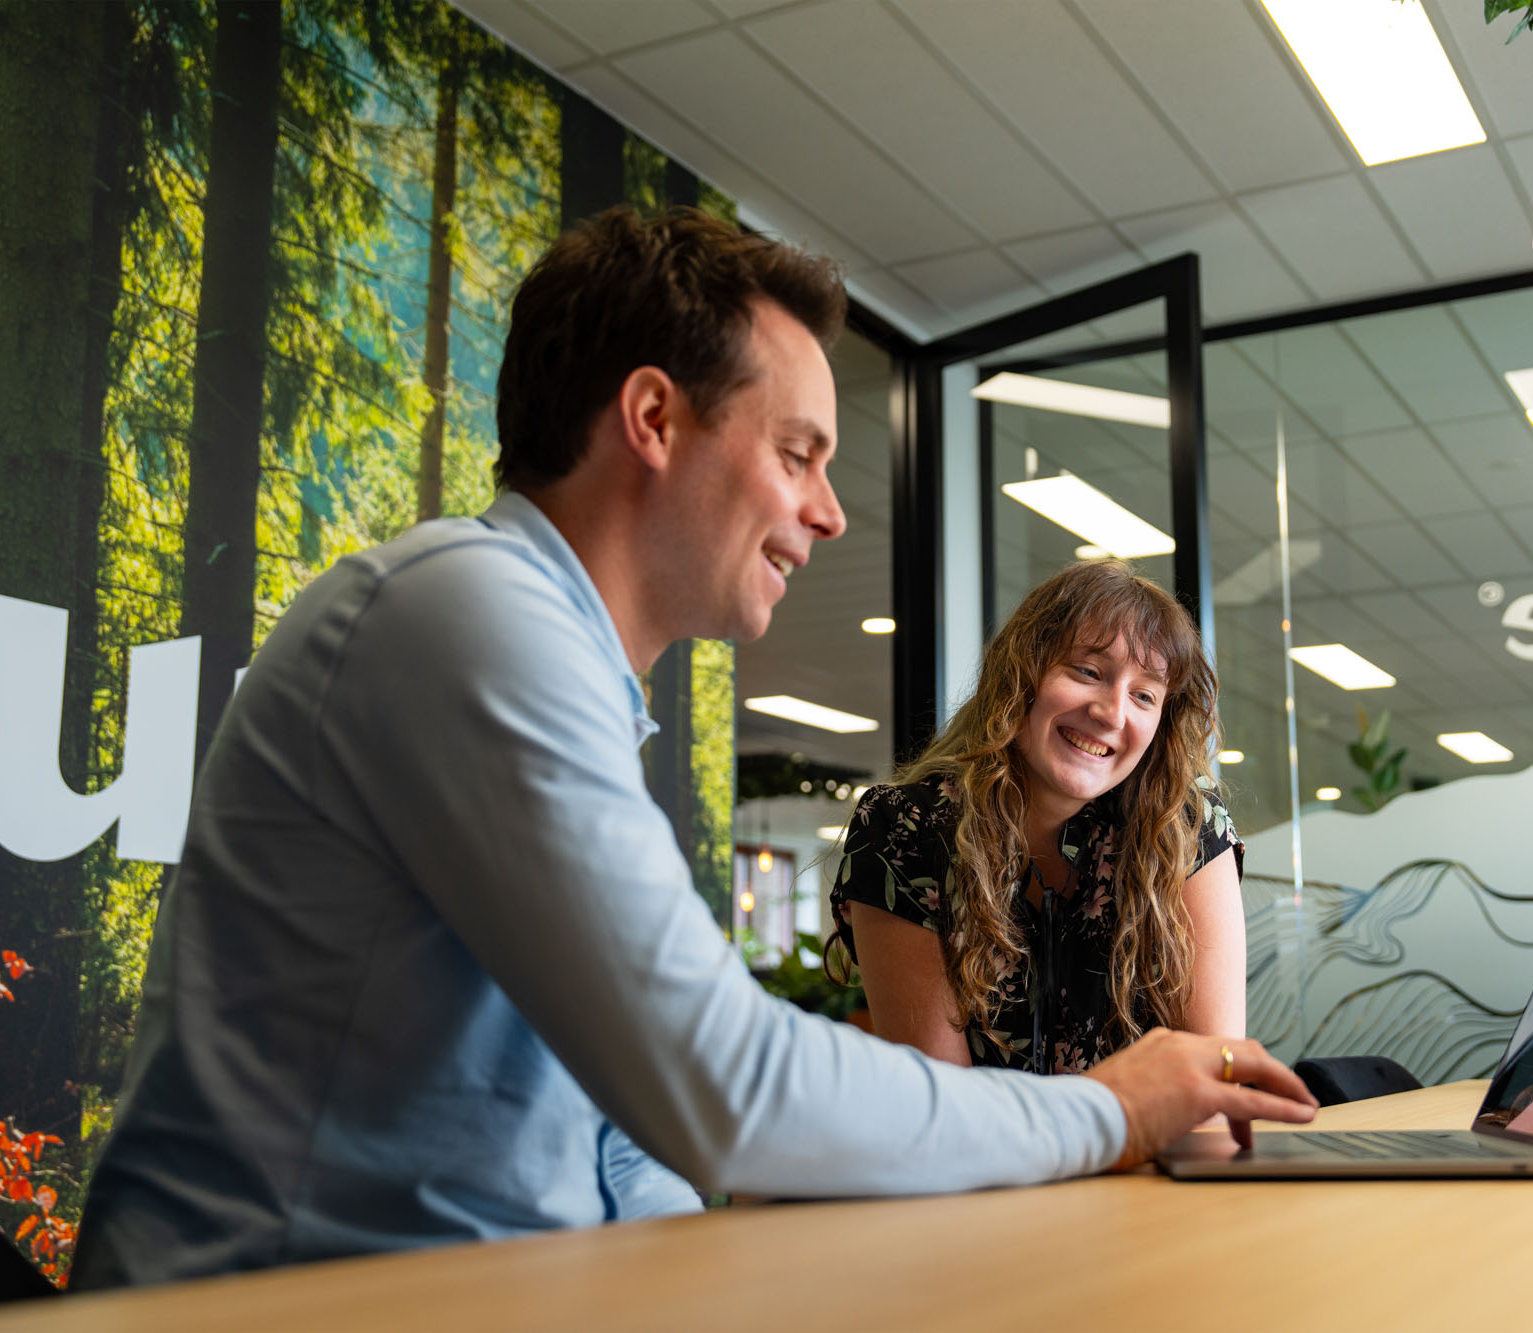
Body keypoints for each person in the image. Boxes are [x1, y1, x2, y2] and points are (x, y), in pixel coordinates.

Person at [71, 208, 1315, 1289]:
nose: (826, 511)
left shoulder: (566, 670)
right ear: (653, 418)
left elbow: (618, 1133)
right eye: (796, 454)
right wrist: (1108, 1107)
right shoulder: (464, 614)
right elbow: (723, 1081)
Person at [828, 561, 1243, 1076]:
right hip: (981, 1134)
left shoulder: (1183, 822)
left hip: (1157, 1134)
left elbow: (1216, 1077)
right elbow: (942, 1104)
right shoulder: (905, 828)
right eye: (1088, 671)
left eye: (1144, 695)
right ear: (1020, 674)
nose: (1113, 713)